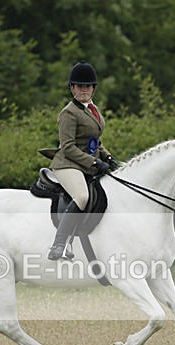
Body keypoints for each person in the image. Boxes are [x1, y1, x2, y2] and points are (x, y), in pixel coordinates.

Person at [46, 61, 118, 260]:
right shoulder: (69, 113)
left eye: (87, 86)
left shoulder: (92, 109)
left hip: (84, 163)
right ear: (72, 88)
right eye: (79, 86)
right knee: (82, 197)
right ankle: (59, 244)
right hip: (67, 163)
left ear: (93, 88)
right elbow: (68, 147)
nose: (84, 90)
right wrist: (94, 163)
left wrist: (107, 156)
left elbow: (94, 141)